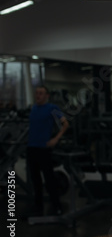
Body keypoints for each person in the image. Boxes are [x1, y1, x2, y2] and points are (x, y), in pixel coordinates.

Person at [26, 85, 69, 216]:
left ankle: (57, 206)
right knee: (35, 180)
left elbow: (65, 124)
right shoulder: (33, 108)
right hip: (31, 147)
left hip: (44, 149)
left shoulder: (52, 109)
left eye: (41, 93)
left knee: (49, 179)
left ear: (47, 96)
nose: (38, 95)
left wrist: (56, 139)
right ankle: (38, 207)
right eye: (37, 93)